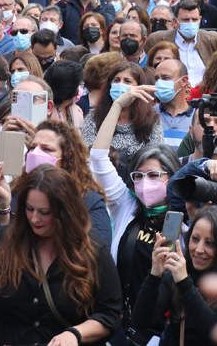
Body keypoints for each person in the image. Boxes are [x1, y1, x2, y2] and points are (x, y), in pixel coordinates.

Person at [0, 166, 122, 346]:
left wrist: (76, 334)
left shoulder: (93, 250)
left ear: (65, 212)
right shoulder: (1, 241)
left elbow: (110, 314)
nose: (35, 219)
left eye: (44, 212)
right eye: (29, 209)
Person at [89, 85, 180, 341]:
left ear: (172, 177)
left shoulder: (183, 216)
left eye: (153, 176)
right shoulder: (126, 205)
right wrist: (117, 106)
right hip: (120, 325)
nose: (144, 183)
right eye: (138, 176)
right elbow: (98, 157)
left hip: (163, 329)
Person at [131, 206, 217, 346]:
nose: (199, 249)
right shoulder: (177, 273)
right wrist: (154, 274)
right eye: (195, 239)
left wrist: (185, 283)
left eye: (210, 243)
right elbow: (140, 321)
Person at [81, 62, 163, 163]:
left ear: (139, 87)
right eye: (116, 80)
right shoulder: (93, 117)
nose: (120, 85)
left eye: (127, 81)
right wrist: (117, 105)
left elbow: (156, 156)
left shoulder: (151, 120)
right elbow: (88, 155)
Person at [144, 1, 217, 87]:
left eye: (194, 19)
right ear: (175, 22)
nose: (191, 23)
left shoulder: (212, 39)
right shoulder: (157, 39)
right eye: (186, 20)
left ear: (200, 19)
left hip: (205, 96)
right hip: (173, 94)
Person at [153, 58, 195, 150]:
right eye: (156, 79)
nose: (159, 83)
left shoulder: (197, 117)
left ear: (184, 81)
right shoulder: (150, 114)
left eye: (165, 78)